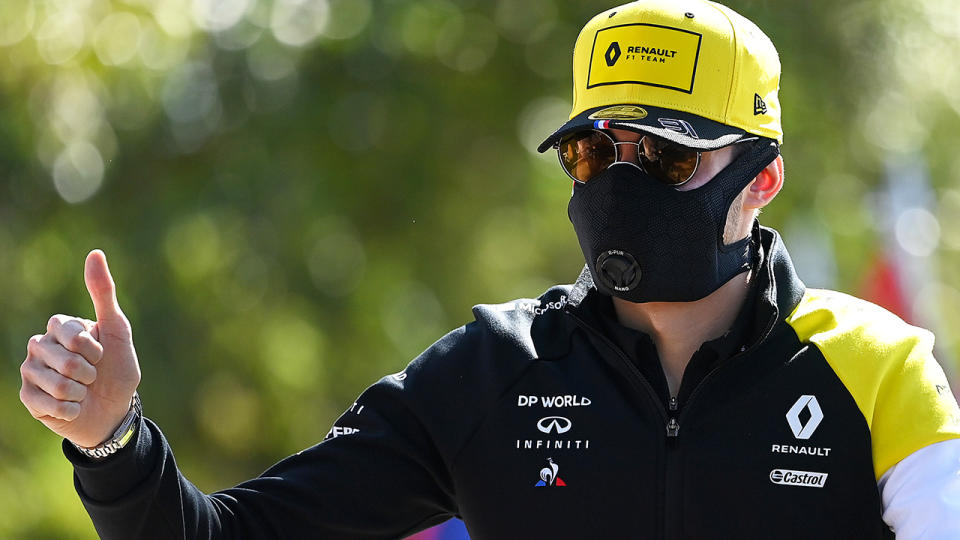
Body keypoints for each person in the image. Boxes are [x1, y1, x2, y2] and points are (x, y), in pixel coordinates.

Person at [18, 0, 960, 538]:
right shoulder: (489, 371)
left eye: (669, 157)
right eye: (595, 154)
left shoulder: (882, 372)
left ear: (766, 180)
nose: (622, 182)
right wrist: (111, 440)